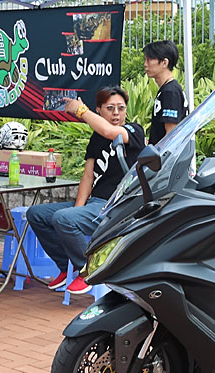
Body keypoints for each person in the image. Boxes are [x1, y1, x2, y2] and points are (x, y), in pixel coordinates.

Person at [26, 87, 145, 295]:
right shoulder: (97, 138)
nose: (116, 113)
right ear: (99, 110)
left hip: (116, 208)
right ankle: (67, 267)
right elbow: (88, 176)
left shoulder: (134, 131)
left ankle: (90, 271)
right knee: (36, 214)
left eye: (121, 108)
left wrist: (80, 110)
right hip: (94, 204)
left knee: (64, 218)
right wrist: (77, 211)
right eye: (110, 108)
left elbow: (110, 132)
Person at [144, 40, 188, 145]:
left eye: (149, 60)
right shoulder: (167, 89)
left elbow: (171, 135)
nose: (145, 64)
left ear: (164, 62)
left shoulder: (170, 92)